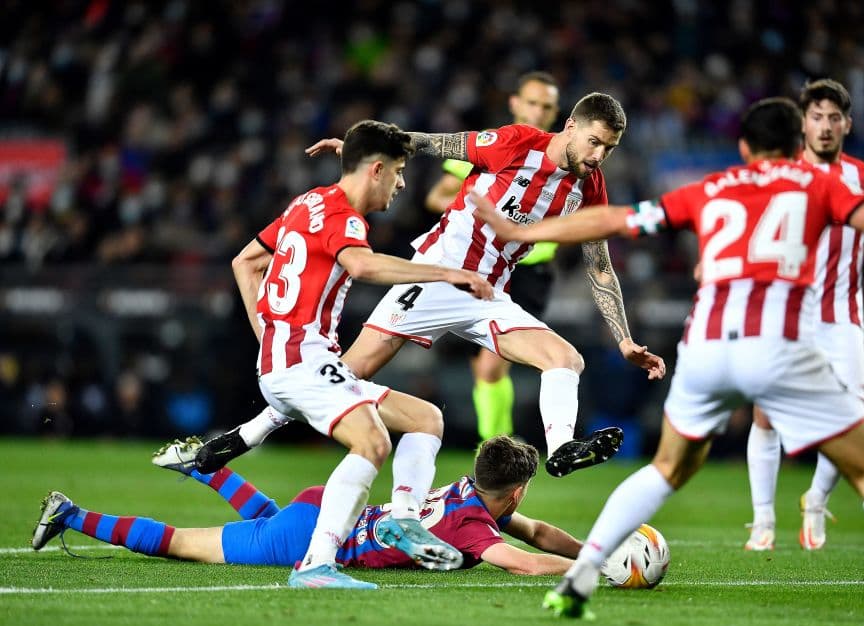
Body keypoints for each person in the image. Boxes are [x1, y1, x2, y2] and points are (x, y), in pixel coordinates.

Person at [472, 97, 864, 626]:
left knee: (666, 469)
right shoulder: (820, 184)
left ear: (742, 146)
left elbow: (613, 220)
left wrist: (522, 232)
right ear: (796, 145)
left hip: (706, 349)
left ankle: (578, 581)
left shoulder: (711, 188)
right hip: (778, 346)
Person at [215, 92, 667, 481]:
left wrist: (625, 340)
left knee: (566, 358)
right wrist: (361, 149)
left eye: (608, 149)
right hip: (437, 273)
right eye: (593, 143)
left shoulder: (590, 188)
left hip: (488, 294)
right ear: (570, 127)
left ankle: (561, 449)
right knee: (347, 374)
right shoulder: (515, 143)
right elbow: (432, 143)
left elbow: (600, 266)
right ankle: (245, 434)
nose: (597, 156)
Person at [220, 120, 494, 589]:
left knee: (425, 418)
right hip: (302, 364)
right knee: (372, 443)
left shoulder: (307, 201)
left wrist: (266, 334)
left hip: (303, 361)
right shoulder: (346, 217)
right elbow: (362, 264)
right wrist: (445, 274)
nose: (402, 183)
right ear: (378, 170)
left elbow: (244, 262)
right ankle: (316, 565)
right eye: (400, 171)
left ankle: (402, 518)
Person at [31, 436, 591, 577]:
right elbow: (520, 560)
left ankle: (207, 466)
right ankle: (70, 515)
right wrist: (588, 570)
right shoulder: (473, 526)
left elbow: (536, 533)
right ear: (515, 489)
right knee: (182, 543)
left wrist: (596, 549)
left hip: (321, 507)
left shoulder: (467, 496)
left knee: (268, 517)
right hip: (309, 539)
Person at [744, 79, 864, 552]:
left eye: (834, 118)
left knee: (850, 417)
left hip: (842, 316)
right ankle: (762, 521)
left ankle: (815, 499)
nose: (826, 126)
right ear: (803, 123)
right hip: (788, 311)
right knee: (766, 414)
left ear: (847, 125)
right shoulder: (781, 171)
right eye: (817, 116)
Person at [423, 71, 563, 443]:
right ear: (514, 103)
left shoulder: (564, 161)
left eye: (547, 106)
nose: (538, 111)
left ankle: (497, 448)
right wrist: (485, 211)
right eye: (532, 102)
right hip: (477, 264)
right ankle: (497, 448)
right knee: (485, 370)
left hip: (529, 271)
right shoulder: (491, 145)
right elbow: (438, 196)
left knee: (491, 365)